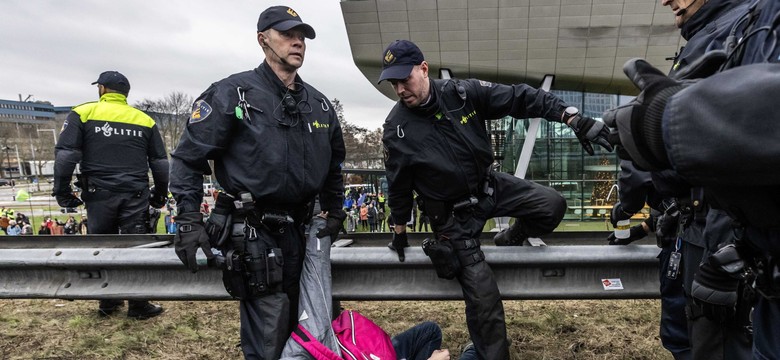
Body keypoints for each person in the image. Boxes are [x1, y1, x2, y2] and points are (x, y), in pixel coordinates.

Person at [379, 39, 611, 359]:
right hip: (451, 217)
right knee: (484, 300)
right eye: (393, 83)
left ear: (423, 69)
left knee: (552, 205)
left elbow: (522, 97)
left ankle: (512, 235)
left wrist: (572, 118)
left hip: (490, 187)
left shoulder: (462, 93)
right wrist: (399, 230)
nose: (400, 89)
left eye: (404, 79)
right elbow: (398, 186)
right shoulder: (396, 129)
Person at [603, 1, 780, 358]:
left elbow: (741, 153)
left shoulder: (744, 28)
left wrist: (663, 122)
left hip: (715, 236)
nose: (666, 0)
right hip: (721, 242)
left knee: (714, 343)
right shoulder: (734, 26)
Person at [169, 6, 345, 359]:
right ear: (263, 39)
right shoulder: (232, 93)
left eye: (302, 37)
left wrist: (336, 209)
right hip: (255, 234)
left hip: (303, 231)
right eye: (288, 35)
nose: (298, 42)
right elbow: (188, 157)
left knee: (313, 328)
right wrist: (189, 218)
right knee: (270, 332)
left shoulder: (320, 104)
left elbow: (334, 165)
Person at [53, 70, 169, 320]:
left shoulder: (83, 112)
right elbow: (159, 162)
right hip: (135, 194)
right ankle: (138, 305)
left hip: (98, 194)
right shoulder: (144, 119)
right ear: (125, 93)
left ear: (102, 89)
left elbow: (66, 154)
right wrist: (160, 195)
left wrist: (62, 193)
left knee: (101, 248)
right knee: (135, 250)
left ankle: (107, 301)